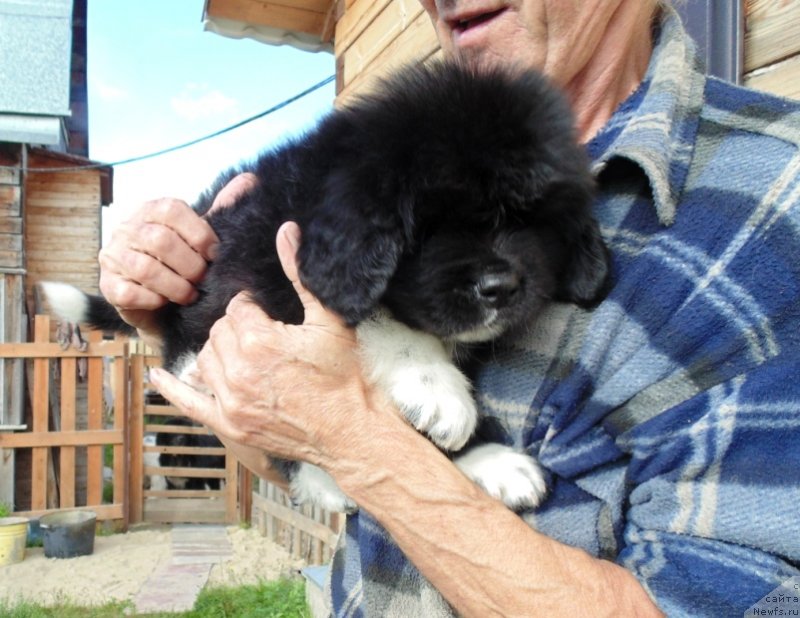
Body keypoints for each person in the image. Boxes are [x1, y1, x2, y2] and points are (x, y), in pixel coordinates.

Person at [99, 0, 800, 615]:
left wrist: (360, 440)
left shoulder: (771, 203)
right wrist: (179, 307)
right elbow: (283, 442)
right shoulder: (392, 154)